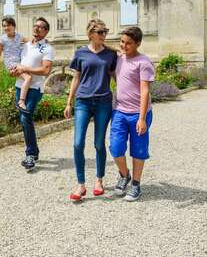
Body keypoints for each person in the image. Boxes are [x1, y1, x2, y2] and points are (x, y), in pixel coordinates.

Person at [64, 20, 117, 201]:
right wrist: (69, 102)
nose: (103, 35)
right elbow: (76, 78)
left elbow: (116, 77)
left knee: (99, 144)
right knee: (78, 143)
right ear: (91, 33)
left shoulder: (111, 54)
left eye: (105, 31)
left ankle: (99, 180)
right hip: (83, 102)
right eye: (100, 32)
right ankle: (80, 184)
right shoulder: (81, 53)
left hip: (103, 102)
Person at [109, 26, 155, 201]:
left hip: (138, 114)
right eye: (122, 42)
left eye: (128, 43)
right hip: (119, 111)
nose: (124, 46)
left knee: (138, 150)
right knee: (115, 147)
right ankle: (124, 174)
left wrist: (142, 118)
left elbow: (145, 91)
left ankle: (136, 185)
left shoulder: (144, 62)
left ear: (138, 43)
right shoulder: (119, 59)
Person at [10, 17, 54, 169]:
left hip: (35, 89)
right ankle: (33, 152)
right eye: (35, 26)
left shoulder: (47, 49)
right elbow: (19, 65)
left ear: (46, 31)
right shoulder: (25, 46)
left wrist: (25, 69)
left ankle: (30, 154)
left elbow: (46, 70)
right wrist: (15, 71)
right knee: (24, 120)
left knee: (25, 117)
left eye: (40, 27)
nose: (36, 29)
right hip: (20, 86)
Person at [0, 17, 33, 112]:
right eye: (4, 26)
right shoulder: (2, 39)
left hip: (20, 63)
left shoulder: (19, 36)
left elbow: (30, 41)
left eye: (8, 25)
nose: (6, 28)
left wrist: (41, 41)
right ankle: (21, 102)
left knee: (29, 77)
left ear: (13, 26)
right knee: (28, 78)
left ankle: (24, 100)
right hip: (11, 64)